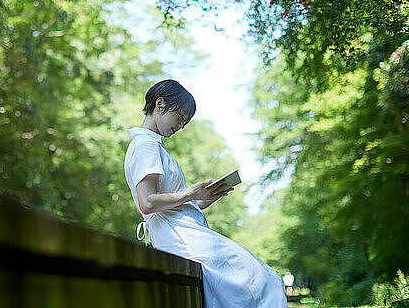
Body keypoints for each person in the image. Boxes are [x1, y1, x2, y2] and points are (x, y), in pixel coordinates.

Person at [123, 79, 289, 308]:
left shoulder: (153, 146)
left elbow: (170, 205)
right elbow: (148, 202)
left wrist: (202, 199)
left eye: (184, 122)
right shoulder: (145, 145)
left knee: (253, 285)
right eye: (179, 117)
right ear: (159, 104)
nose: (180, 126)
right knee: (266, 281)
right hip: (182, 238)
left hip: (184, 234)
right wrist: (191, 194)